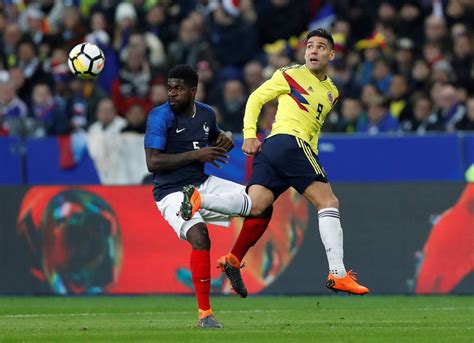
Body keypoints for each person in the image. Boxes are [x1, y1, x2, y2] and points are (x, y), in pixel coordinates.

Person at [180, 29, 369, 296]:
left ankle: (201, 201)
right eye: (310, 46)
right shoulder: (290, 74)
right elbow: (256, 98)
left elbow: (313, 128)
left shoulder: (332, 92)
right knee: (328, 202)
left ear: (332, 54)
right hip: (288, 142)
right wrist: (248, 134)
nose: (313, 50)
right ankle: (337, 274)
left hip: (280, 150)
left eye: (321, 47)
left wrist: (310, 153)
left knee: (256, 206)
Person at [144, 64, 270, 329]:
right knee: (200, 235)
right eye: (169, 87)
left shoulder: (206, 114)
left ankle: (233, 261)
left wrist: (225, 138)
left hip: (202, 185)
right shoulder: (160, 117)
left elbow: (217, 136)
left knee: (262, 204)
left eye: (177, 88)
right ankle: (205, 315)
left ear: (193, 90)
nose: (171, 93)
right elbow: (153, 162)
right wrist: (196, 155)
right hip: (170, 193)